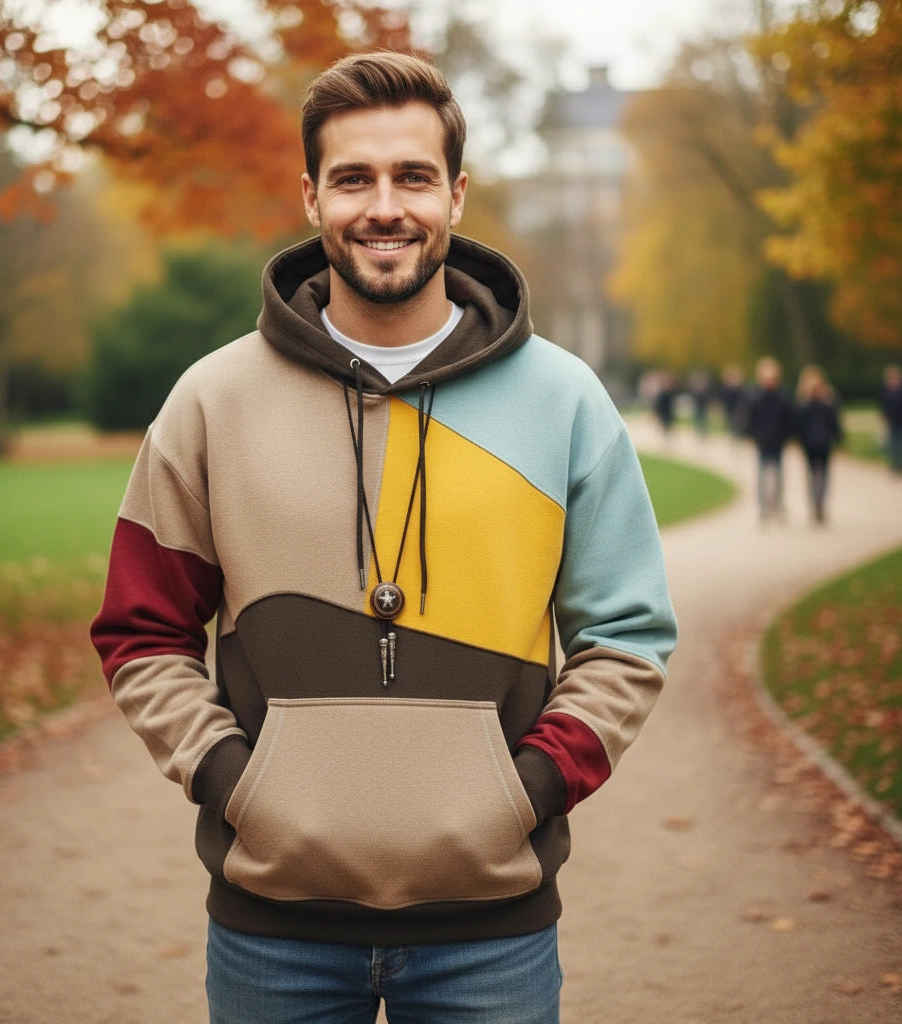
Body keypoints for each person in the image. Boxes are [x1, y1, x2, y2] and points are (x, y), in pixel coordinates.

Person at [91, 51, 677, 1024]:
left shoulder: (565, 400)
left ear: (454, 192)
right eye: (354, 177)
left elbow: (628, 636)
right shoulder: (211, 401)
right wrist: (241, 785)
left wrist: (523, 790)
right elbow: (140, 629)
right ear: (312, 194)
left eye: (411, 176)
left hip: (491, 931)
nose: (384, 205)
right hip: (272, 928)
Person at [745, 356, 795, 523]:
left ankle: (778, 505)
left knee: (779, 475)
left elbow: (789, 418)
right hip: (763, 441)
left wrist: (788, 437)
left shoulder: (782, 396)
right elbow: (749, 419)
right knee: (761, 476)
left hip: (778, 441)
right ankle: (763, 507)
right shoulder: (755, 397)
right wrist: (752, 436)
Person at [794, 365, 842, 523]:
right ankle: (817, 502)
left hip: (822, 443)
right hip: (811, 444)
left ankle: (819, 502)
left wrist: (839, 439)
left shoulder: (826, 402)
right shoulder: (805, 404)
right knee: (816, 474)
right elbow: (799, 425)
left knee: (820, 475)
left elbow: (834, 422)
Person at [881, 363, 902, 474]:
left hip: (900, 420)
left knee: (899, 444)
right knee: (892, 444)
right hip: (891, 421)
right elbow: (883, 406)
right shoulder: (886, 391)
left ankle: (899, 465)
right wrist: (884, 417)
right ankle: (894, 465)